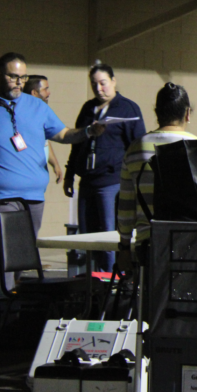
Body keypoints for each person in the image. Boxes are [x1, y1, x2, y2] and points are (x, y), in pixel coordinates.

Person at [0, 52, 104, 296]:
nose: (19, 82)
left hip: (33, 196)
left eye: (23, 77)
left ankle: (12, 300)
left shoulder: (37, 106)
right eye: (13, 77)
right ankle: (3, 304)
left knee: (22, 251)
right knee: (4, 249)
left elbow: (62, 135)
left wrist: (89, 132)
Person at [64, 63, 145, 272]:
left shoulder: (128, 108)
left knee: (109, 235)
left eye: (103, 83)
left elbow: (137, 146)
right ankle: (93, 282)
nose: (99, 89)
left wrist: (137, 180)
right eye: (94, 84)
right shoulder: (87, 108)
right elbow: (77, 143)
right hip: (87, 182)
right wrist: (69, 174)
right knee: (87, 236)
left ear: (113, 81)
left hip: (111, 182)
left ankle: (111, 282)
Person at [117, 83, 197, 256]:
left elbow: (126, 207)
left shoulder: (135, 149)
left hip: (149, 246)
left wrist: (124, 246)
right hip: (191, 245)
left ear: (157, 113)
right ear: (187, 113)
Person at [23, 74, 63, 186]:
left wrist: (55, 164)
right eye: (45, 89)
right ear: (34, 93)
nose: (49, 93)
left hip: (38, 179)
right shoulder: (22, 116)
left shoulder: (41, 112)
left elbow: (44, 140)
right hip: (26, 177)